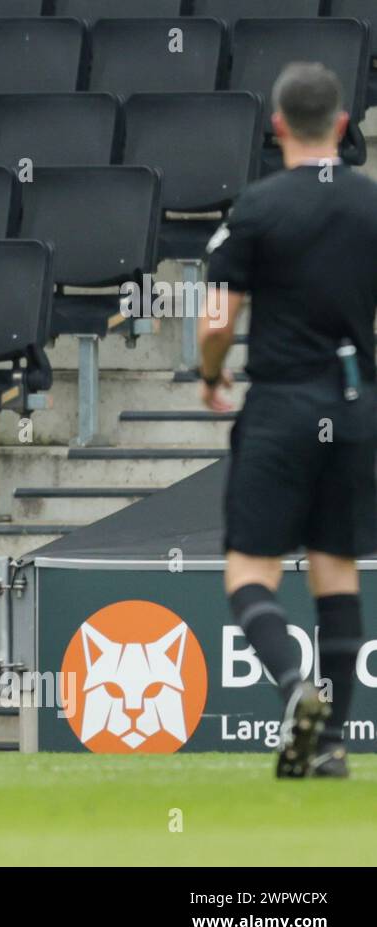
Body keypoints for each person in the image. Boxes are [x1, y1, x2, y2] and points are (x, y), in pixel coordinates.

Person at [199, 61, 377, 779]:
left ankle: (292, 686)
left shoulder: (259, 207)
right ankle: (330, 743)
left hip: (279, 404)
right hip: (353, 404)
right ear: (342, 126)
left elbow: (216, 317)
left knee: (250, 570)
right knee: (336, 573)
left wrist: (214, 376)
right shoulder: (370, 208)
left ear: (277, 127)